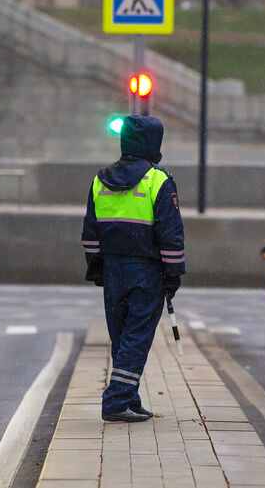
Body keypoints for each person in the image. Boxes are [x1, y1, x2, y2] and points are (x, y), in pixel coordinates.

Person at [81, 115, 185, 423]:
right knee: (137, 336)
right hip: (147, 270)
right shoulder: (158, 181)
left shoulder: (100, 179)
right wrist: (173, 272)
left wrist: (96, 266)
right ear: (155, 143)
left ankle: (129, 395)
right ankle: (116, 400)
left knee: (122, 334)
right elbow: (170, 232)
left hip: (113, 269)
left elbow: (90, 232)